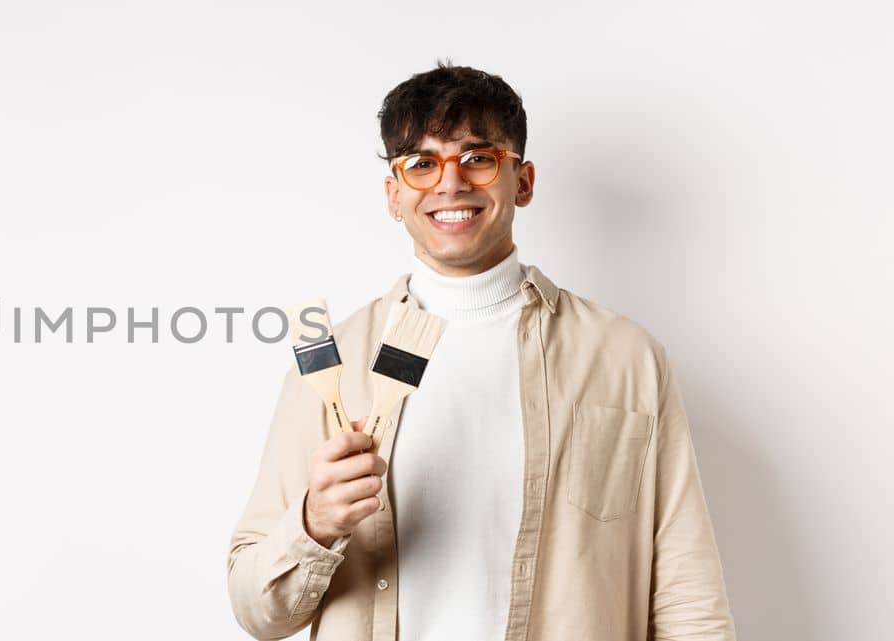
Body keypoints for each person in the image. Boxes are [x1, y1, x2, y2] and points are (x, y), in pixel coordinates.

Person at [225, 62, 736, 641]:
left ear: (523, 180)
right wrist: (315, 524)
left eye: (478, 158)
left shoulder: (626, 359)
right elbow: (256, 611)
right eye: (421, 163)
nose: (450, 183)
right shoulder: (334, 361)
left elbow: (687, 593)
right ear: (394, 195)